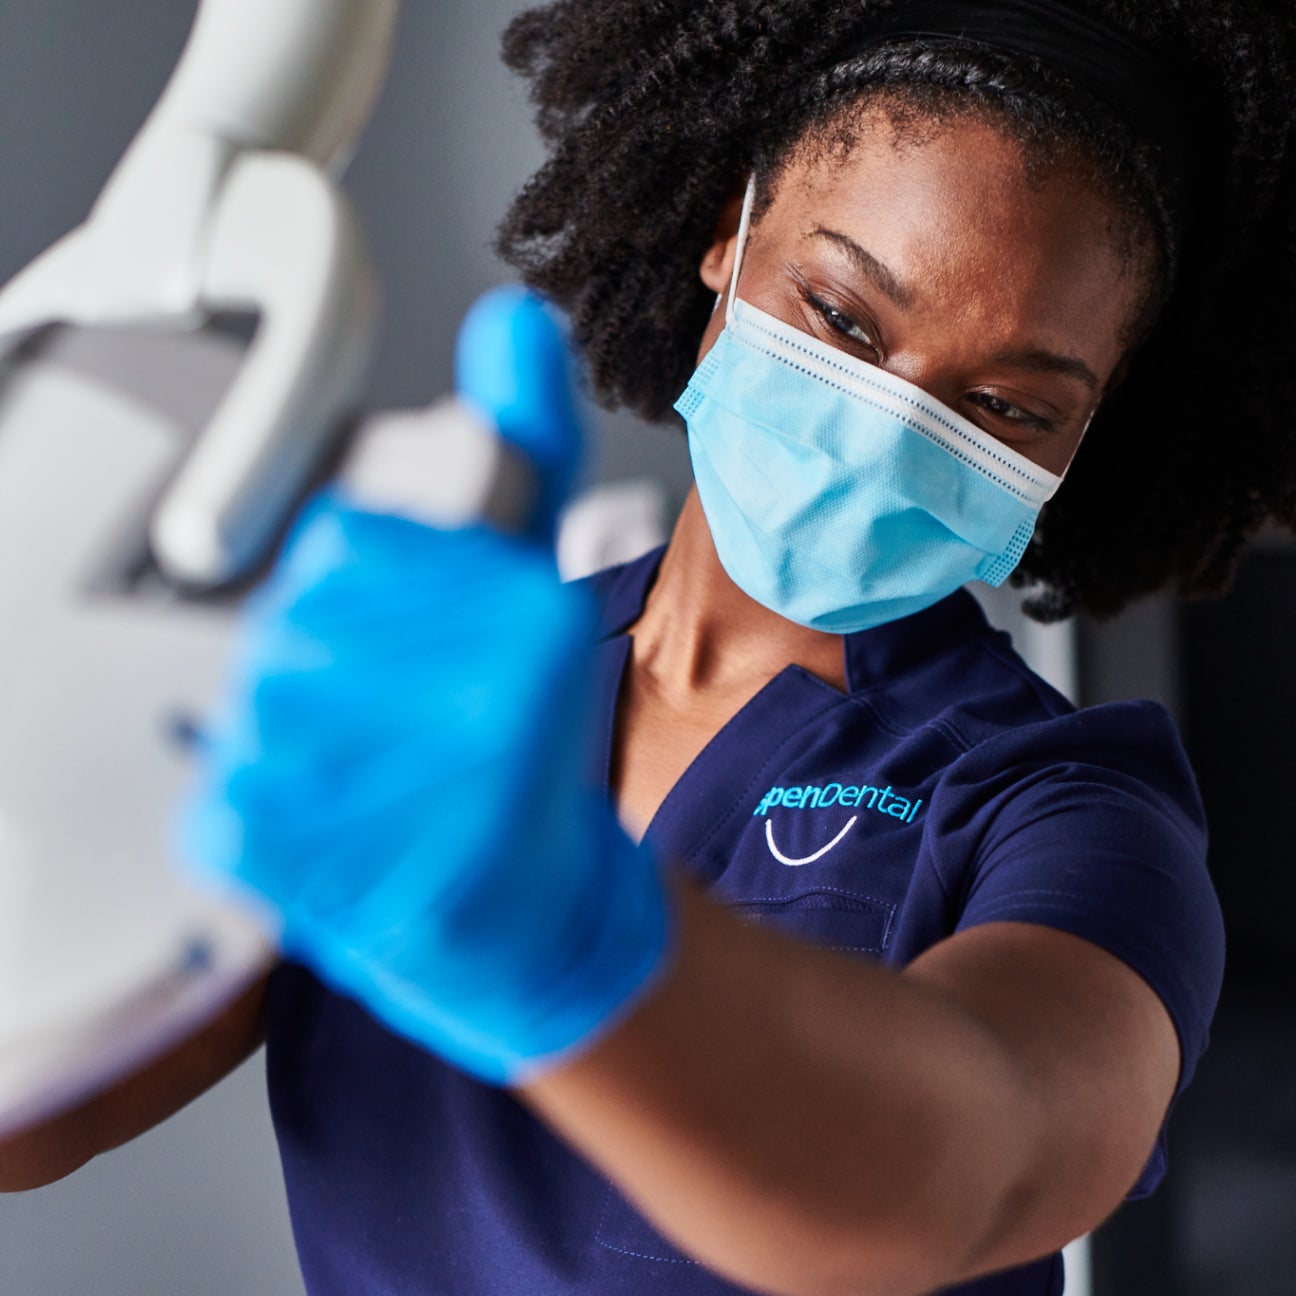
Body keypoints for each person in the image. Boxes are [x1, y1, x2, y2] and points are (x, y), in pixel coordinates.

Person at [4, 3, 1296, 1295]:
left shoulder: (1066, 807)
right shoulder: (425, 706)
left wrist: (570, 941)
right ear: (729, 242)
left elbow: (985, 1159)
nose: (887, 429)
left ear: (1084, 440)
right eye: (844, 317)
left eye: (1008, 404)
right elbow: (37, 1122)